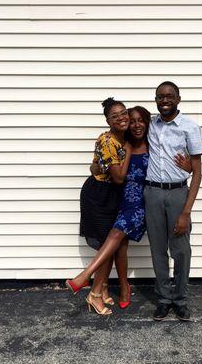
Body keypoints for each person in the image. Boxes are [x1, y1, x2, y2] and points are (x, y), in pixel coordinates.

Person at [66, 104, 191, 316]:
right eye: (131, 121)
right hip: (119, 199)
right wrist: (94, 167)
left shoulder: (154, 145)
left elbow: (176, 165)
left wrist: (188, 167)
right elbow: (100, 165)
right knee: (119, 245)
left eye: (140, 120)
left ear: (147, 122)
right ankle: (121, 287)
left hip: (142, 201)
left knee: (116, 235)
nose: (136, 124)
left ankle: (86, 276)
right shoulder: (122, 144)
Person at [67, 97, 133, 316]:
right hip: (99, 196)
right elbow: (119, 178)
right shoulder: (108, 141)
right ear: (108, 121)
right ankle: (94, 295)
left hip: (111, 196)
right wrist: (131, 150)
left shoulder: (123, 138)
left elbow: (94, 166)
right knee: (106, 246)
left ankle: (102, 288)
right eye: (115, 116)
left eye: (123, 113)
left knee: (110, 245)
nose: (121, 118)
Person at [144, 81, 202, 322]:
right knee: (158, 249)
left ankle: (180, 299)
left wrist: (186, 212)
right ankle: (163, 299)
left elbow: (197, 172)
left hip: (178, 194)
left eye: (170, 96)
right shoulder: (149, 124)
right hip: (153, 193)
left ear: (179, 99)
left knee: (180, 251)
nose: (165, 100)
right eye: (160, 97)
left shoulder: (190, 127)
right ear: (156, 100)